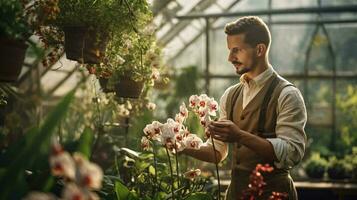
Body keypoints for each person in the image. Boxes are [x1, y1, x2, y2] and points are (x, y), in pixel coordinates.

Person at [182, 16, 307, 200]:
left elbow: (291, 153)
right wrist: (180, 144)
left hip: (274, 195)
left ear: (259, 49)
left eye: (236, 50)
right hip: (236, 194)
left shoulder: (287, 94)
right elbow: (218, 153)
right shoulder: (231, 95)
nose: (230, 58)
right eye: (229, 50)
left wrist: (239, 135)